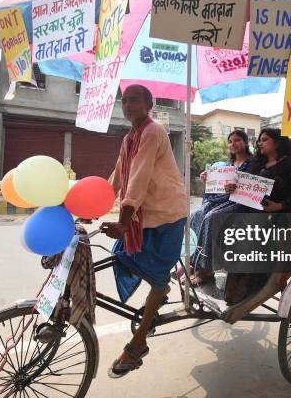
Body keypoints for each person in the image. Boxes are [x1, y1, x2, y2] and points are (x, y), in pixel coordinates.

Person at [101, 84, 187, 378]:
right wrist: (92, 205)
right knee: (121, 256)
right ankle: (159, 289)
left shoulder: (153, 131)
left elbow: (137, 179)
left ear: (149, 104)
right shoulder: (130, 137)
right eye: (124, 101)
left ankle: (138, 344)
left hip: (166, 215)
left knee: (158, 279)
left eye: (134, 100)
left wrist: (123, 222)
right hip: (145, 216)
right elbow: (118, 175)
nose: (128, 105)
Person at [192, 128, 291, 288]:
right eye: (259, 140)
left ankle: (208, 268)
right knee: (207, 216)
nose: (260, 143)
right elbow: (243, 186)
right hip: (249, 209)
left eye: (265, 140)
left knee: (215, 219)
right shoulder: (258, 163)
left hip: (279, 215)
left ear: (277, 141)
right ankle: (201, 263)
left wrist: (279, 205)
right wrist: (232, 188)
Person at [175, 129, 253, 283]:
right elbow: (217, 186)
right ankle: (192, 262)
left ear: (245, 142)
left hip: (239, 203)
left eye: (237, 140)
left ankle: (206, 268)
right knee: (195, 215)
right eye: (230, 142)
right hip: (221, 199)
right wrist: (208, 179)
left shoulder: (253, 163)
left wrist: (238, 186)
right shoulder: (228, 164)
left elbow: (254, 186)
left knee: (211, 218)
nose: (233, 144)